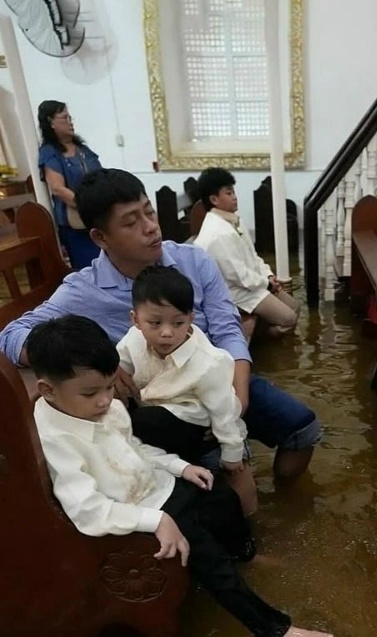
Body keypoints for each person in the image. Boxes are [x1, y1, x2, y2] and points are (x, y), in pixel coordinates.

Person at [26, 315, 334, 637]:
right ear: (48, 389)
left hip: (158, 487)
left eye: (110, 387)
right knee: (208, 558)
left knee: (219, 493)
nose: (105, 400)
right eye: (91, 393)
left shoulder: (103, 409)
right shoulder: (54, 440)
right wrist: (154, 521)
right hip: (138, 515)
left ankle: (246, 555)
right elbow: (87, 510)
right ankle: (274, 631)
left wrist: (180, 466)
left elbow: (135, 449)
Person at [0, 168, 320, 480]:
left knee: (303, 429)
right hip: (166, 405)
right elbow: (10, 336)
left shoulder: (193, 260)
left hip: (216, 376)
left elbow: (226, 328)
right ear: (100, 237)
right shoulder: (84, 291)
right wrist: (94, 359)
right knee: (226, 478)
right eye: (132, 221)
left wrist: (238, 396)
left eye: (149, 212)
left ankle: (286, 502)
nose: (151, 227)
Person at [117, 264, 258, 516]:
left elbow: (224, 411)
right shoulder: (132, 340)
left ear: (191, 319)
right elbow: (117, 367)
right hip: (159, 416)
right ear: (135, 319)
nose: (167, 332)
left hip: (201, 423)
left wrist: (232, 454)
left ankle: (252, 521)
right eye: (155, 322)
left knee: (234, 469)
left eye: (178, 322)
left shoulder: (208, 363)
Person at [194, 167, 300, 338]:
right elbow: (238, 275)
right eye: (229, 193)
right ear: (214, 199)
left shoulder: (234, 220)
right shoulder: (218, 233)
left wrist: (268, 275)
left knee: (295, 306)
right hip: (237, 293)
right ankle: (262, 341)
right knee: (289, 319)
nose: (235, 196)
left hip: (252, 286)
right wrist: (267, 285)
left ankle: (264, 331)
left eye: (233, 191)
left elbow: (253, 256)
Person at [37, 100, 102, 270]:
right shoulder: (50, 152)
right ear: (51, 122)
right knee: (89, 269)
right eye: (64, 118)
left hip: (97, 217)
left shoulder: (82, 149)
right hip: (75, 224)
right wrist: (85, 204)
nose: (70, 122)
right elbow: (57, 188)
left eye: (70, 117)